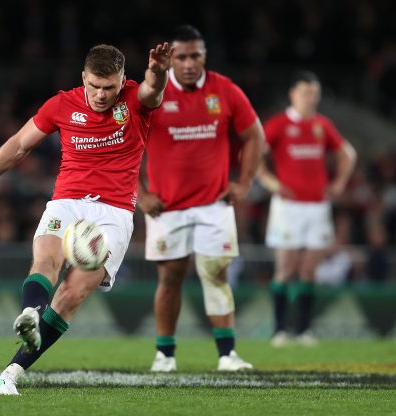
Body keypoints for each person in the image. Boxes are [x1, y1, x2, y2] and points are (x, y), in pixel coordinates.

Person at [0, 42, 173, 395]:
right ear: (83, 77)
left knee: (72, 293)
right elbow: (19, 145)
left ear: (122, 81)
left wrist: (158, 71)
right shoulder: (62, 104)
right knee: (46, 261)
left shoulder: (135, 100)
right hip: (66, 201)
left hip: (113, 213)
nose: (100, 95)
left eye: (109, 87)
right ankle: (30, 314)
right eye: (94, 86)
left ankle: (10, 374)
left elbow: (153, 90)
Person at [137, 25, 264, 372]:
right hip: (167, 207)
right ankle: (165, 354)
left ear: (205, 56)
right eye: (181, 56)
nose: (189, 63)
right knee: (171, 277)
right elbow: (123, 141)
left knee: (215, 274)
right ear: (171, 59)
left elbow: (255, 136)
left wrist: (244, 183)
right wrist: (141, 193)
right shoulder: (154, 95)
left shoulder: (224, 90)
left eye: (196, 56)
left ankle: (227, 355)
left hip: (215, 205)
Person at [257, 70, 357, 347]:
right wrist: (269, 182)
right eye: (305, 93)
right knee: (286, 268)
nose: (310, 98)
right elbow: (254, 153)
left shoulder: (322, 125)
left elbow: (348, 154)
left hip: (318, 207)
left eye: (314, 93)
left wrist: (339, 183)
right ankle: (279, 330)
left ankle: (303, 331)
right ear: (293, 94)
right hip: (288, 207)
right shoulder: (278, 124)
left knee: (309, 270)